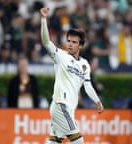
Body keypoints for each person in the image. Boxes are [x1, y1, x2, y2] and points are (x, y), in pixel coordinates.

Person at [40, 7, 104, 144]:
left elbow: (88, 86)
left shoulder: (85, 64)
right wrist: (43, 19)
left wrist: (97, 101)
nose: (70, 44)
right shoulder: (60, 56)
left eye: (74, 42)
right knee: (78, 141)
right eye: (69, 41)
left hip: (70, 108)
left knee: (54, 141)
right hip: (60, 105)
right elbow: (46, 42)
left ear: (80, 45)